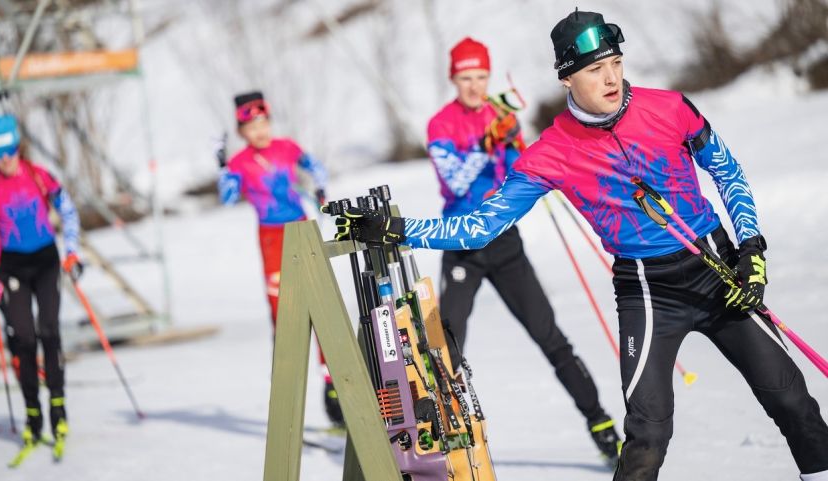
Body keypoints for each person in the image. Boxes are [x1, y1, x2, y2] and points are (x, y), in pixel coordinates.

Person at [334, 10, 828, 481]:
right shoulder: (551, 152)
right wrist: (395, 229)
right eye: (596, 69)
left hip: (717, 269)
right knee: (648, 434)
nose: (612, 79)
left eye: (616, 63)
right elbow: (480, 227)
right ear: (567, 79)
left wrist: (751, 251)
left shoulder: (669, 108)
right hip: (647, 288)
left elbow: (728, 172)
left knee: (792, 401)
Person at [426, 36, 621, 463]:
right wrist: (484, 144)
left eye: (481, 76)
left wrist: (513, 140)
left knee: (548, 334)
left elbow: (523, 166)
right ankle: (444, 434)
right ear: (453, 79)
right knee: (447, 345)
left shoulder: (501, 114)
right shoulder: (441, 125)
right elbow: (456, 182)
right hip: (462, 243)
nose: (475, 86)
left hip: (504, 242)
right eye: (466, 78)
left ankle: (600, 421)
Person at [216, 91, 343, 426]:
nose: (260, 130)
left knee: (321, 305)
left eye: (264, 122)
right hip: (272, 238)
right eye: (251, 126)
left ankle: (332, 388)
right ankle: (288, 395)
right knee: (284, 315)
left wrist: (320, 190)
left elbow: (317, 168)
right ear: (241, 131)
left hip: (301, 230)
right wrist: (222, 168)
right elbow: (228, 197)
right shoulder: (241, 162)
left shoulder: (286, 147)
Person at [0, 114, 82, 451]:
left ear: (18, 148)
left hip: (47, 261)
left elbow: (68, 210)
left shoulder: (38, 174)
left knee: (49, 331)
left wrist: (72, 252)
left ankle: (58, 409)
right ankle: (33, 415)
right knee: (23, 338)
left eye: (10, 151)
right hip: (12, 267)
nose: (5, 160)